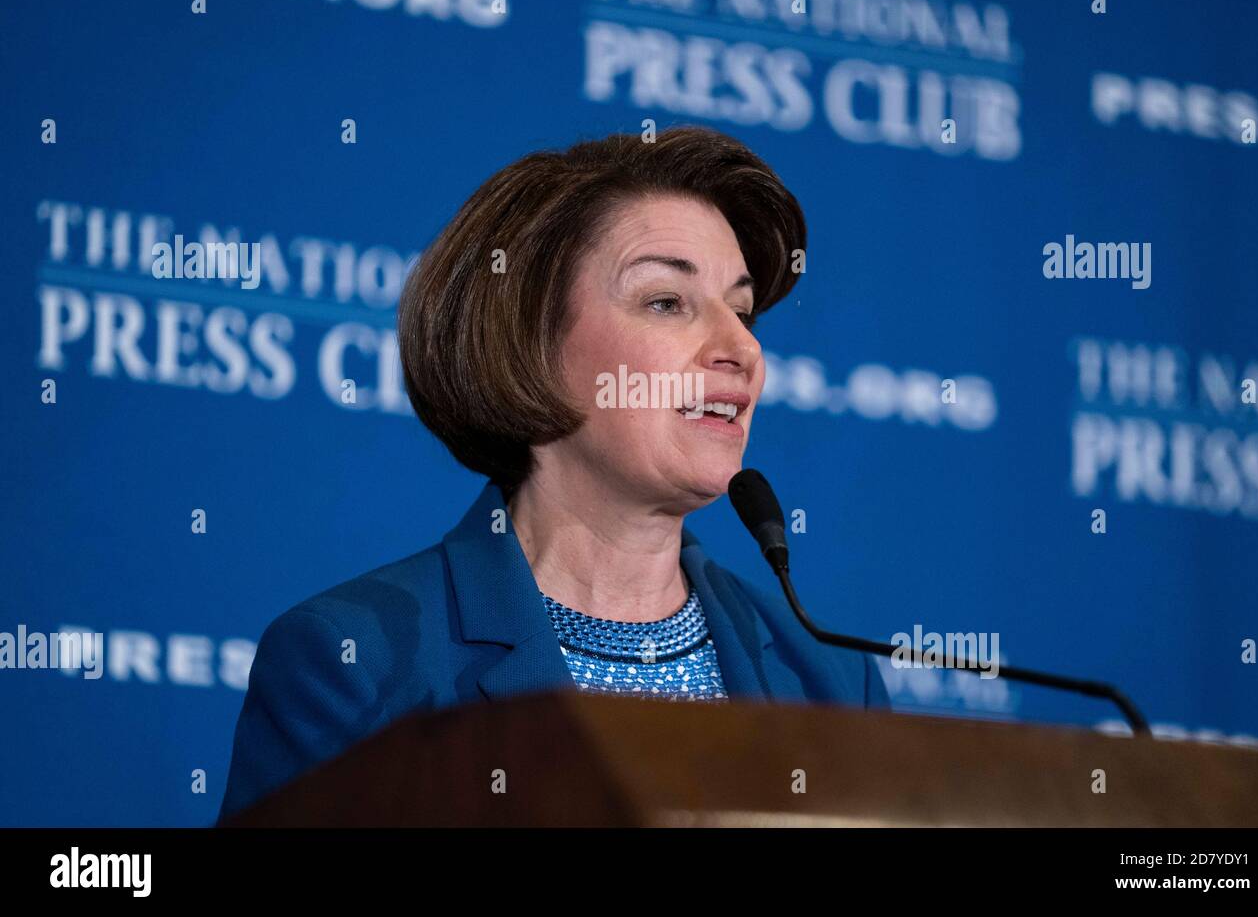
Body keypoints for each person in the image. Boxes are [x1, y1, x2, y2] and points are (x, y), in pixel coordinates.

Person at [217, 125, 889, 823]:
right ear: (530, 342)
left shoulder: (834, 685)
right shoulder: (356, 663)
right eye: (666, 302)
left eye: (742, 311)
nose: (741, 348)